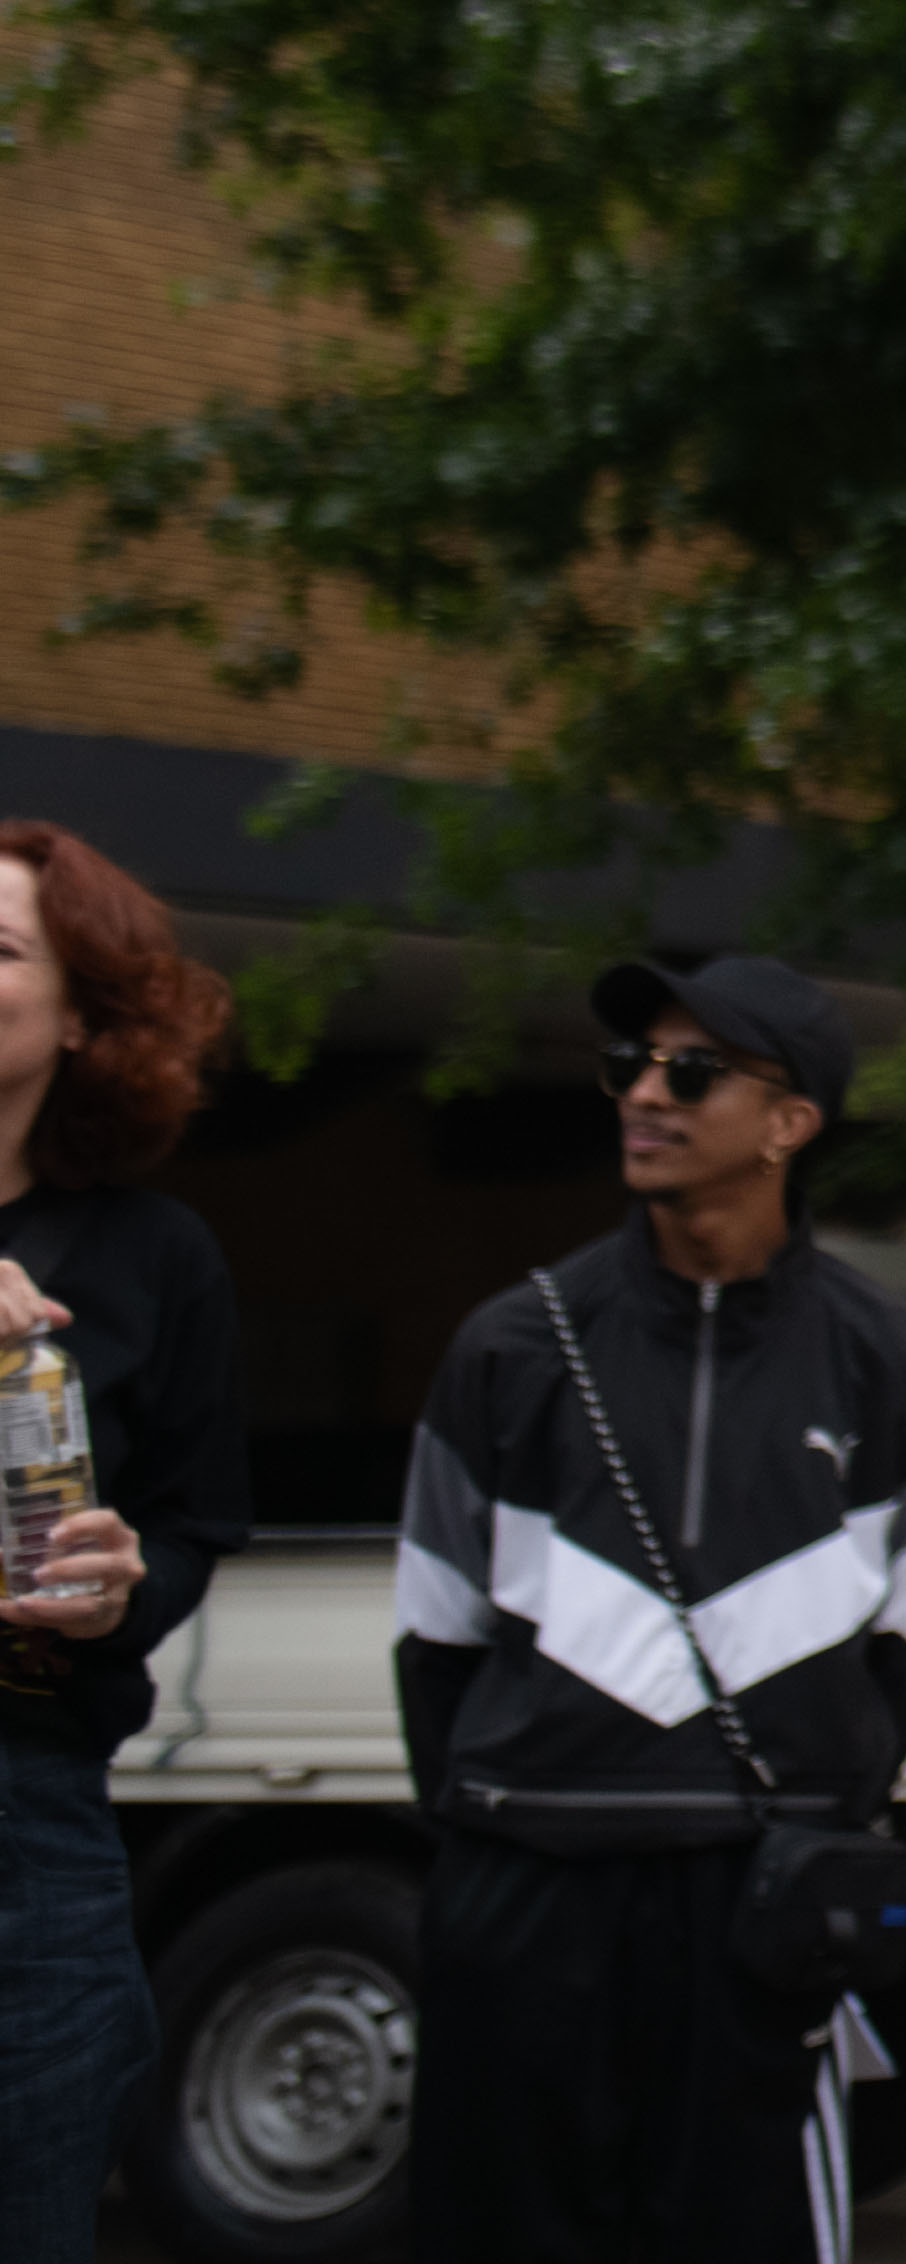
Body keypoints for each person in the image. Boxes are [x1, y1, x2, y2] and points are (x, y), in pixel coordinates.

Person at [390, 950, 906, 2264]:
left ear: (790, 1122)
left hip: (754, 1914)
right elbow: (434, 1636)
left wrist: (803, 1809)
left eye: (691, 1071)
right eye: (629, 1067)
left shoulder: (891, 1361)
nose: (646, 1095)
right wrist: (512, 1821)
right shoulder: (512, 1344)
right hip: (529, 1892)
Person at [0, 825, 246, 2264]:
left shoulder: (155, 1257)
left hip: (28, 1813)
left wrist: (119, 1593)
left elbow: (203, 1524)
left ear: (85, 1016)